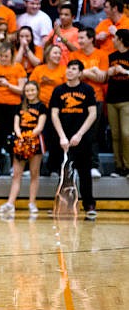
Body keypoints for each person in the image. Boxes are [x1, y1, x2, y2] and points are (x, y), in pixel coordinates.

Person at [50, 59, 98, 216]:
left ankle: (89, 205)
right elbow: (54, 114)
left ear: (80, 73)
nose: (69, 71)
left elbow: (93, 113)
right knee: (64, 172)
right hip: (64, 138)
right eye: (68, 68)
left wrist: (79, 134)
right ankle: (63, 205)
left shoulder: (87, 89)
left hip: (82, 138)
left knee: (85, 173)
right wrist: (62, 136)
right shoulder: (58, 90)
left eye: (73, 69)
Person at [0, 81, 47, 215]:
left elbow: (40, 126)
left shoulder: (42, 107)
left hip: (35, 140)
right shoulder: (19, 107)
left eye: (32, 90)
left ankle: (32, 203)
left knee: (34, 173)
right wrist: (20, 138)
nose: (30, 93)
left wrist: (30, 137)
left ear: (37, 91)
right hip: (20, 141)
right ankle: (10, 204)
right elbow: (16, 125)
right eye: (27, 91)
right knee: (17, 174)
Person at [69, 27, 109, 179]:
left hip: (96, 98)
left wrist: (82, 73)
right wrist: (91, 71)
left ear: (91, 39)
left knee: (92, 134)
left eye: (82, 38)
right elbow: (72, 76)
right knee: (74, 132)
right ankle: (73, 164)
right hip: (76, 99)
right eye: (78, 38)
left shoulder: (101, 55)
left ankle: (94, 165)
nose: (78, 41)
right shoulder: (74, 55)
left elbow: (103, 78)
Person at [0, 42, 27, 177]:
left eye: (6, 56)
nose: (4, 59)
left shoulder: (18, 68)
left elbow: (22, 90)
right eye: (1, 56)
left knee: (13, 136)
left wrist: (8, 85)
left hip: (13, 106)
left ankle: (13, 166)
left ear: (12, 55)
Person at [29, 45, 66, 177]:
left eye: (59, 53)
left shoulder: (64, 70)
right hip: (39, 108)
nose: (58, 55)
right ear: (48, 54)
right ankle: (33, 167)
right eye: (55, 53)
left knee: (55, 138)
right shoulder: (39, 69)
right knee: (37, 137)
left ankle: (54, 167)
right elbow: (31, 86)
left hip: (57, 110)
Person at [106, 29, 129, 178]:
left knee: (126, 133)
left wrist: (125, 71)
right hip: (112, 99)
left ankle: (128, 165)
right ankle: (119, 166)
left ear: (120, 39)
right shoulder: (111, 56)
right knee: (115, 135)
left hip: (127, 99)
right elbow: (105, 76)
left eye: (114, 37)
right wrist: (108, 72)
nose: (112, 40)